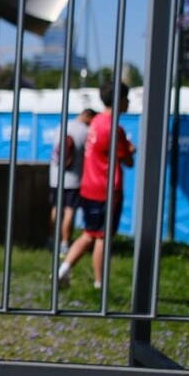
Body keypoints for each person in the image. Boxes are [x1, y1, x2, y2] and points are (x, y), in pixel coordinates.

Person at [56, 81, 135, 290]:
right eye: (127, 98)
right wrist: (130, 148)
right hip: (107, 191)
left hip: (88, 187)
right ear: (119, 100)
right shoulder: (114, 128)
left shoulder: (96, 121)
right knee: (102, 237)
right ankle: (100, 285)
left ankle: (63, 269)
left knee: (89, 233)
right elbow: (127, 160)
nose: (129, 102)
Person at [48, 108, 97, 255]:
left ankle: (52, 239)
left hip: (56, 177)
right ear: (88, 117)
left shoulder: (62, 126)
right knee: (69, 211)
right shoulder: (85, 131)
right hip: (74, 179)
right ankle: (64, 242)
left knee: (56, 208)